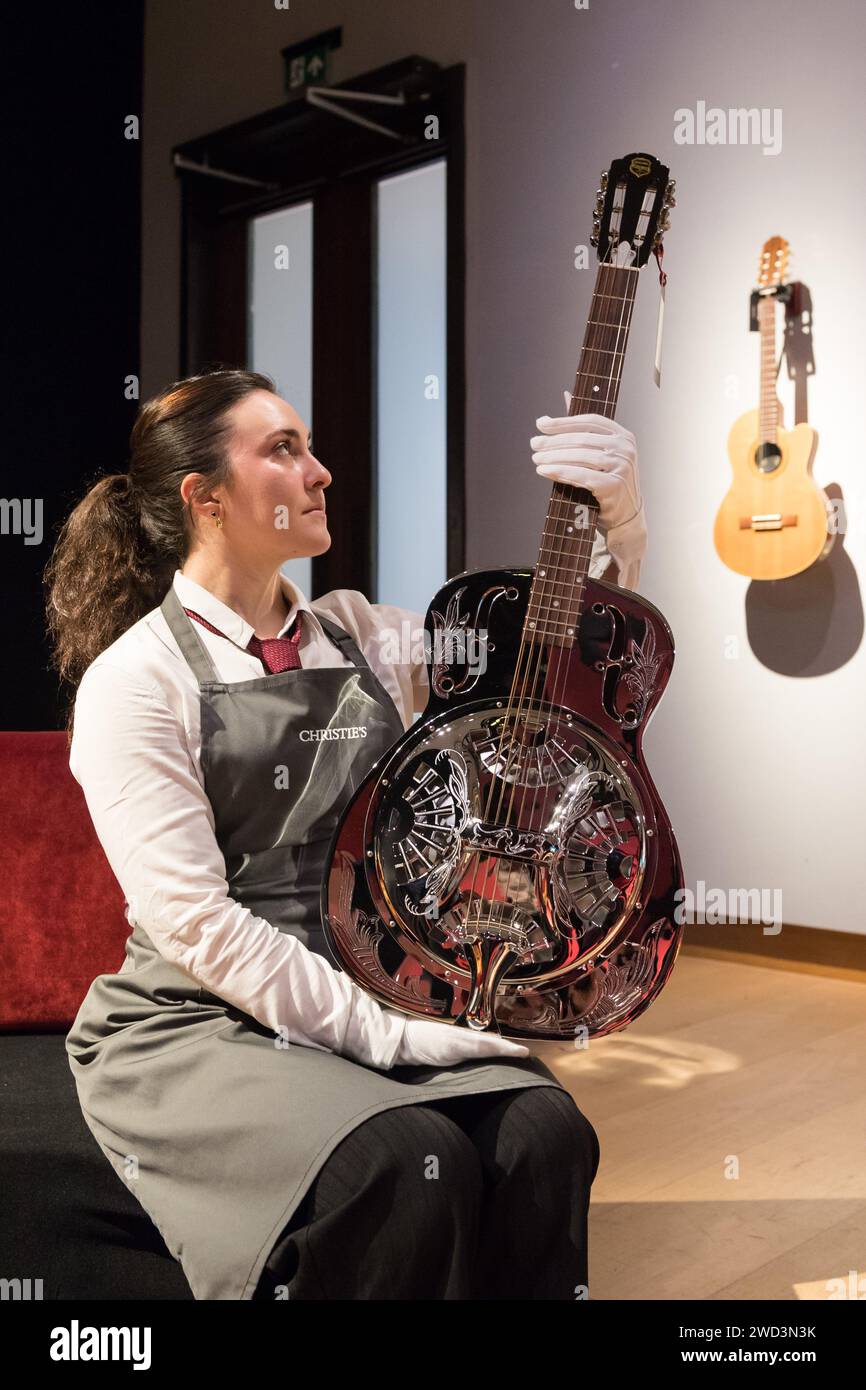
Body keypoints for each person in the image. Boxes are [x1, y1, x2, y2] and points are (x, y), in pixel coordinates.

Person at [45, 368, 647, 1301]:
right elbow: (197, 924)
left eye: (310, 446)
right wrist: (386, 1034)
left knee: (545, 1132)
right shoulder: (135, 682)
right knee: (401, 1161)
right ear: (203, 498)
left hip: (376, 980)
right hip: (206, 1017)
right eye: (283, 449)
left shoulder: (360, 633)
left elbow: (551, 676)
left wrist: (618, 530)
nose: (320, 471)